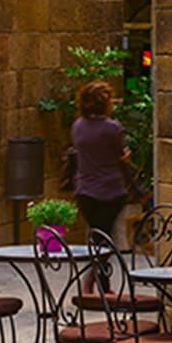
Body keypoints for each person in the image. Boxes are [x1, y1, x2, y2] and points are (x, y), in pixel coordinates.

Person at [68, 80, 135, 247]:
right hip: (110, 191)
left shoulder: (77, 126)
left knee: (97, 232)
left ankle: (97, 271)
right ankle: (95, 272)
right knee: (103, 235)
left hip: (84, 190)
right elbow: (120, 155)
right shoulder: (111, 127)